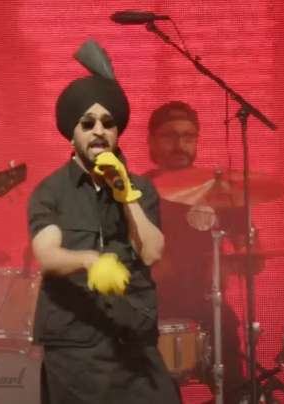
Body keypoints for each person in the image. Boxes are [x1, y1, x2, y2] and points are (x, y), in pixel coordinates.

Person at [27, 73, 180, 404]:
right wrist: (88, 260)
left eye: (108, 123)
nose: (99, 130)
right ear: (72, 133)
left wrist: (126, 195)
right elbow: (47, 254)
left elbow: (151, 252)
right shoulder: (51, 191)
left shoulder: (141, 188)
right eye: (88, 123)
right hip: (75, 346)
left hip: (134, 341)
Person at [144, 100, 251, 402]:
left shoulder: (218, 190)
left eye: (188, 137)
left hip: (207, 305)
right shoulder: (135, 192)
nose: (180, 145)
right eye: (170, 136)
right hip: (151, 306)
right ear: (151, 141)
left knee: (233, 377)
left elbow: (249, 251)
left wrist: (237, 261)